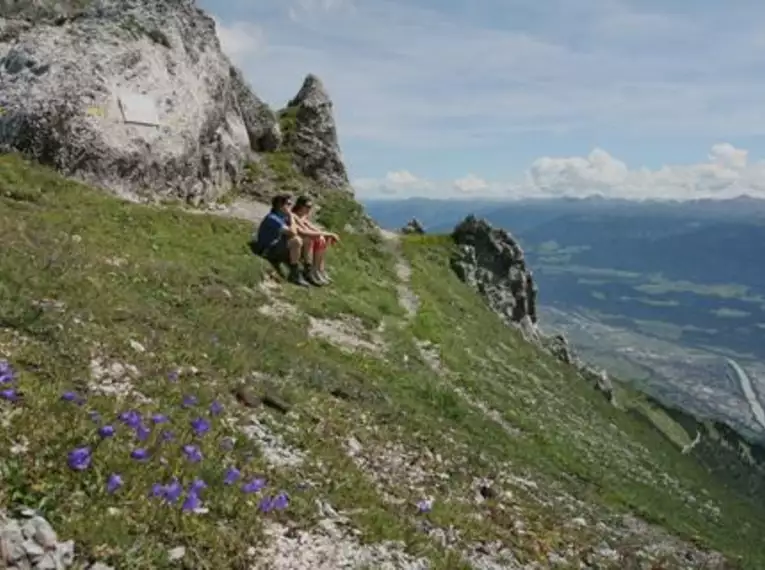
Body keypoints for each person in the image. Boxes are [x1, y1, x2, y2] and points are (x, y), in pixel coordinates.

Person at [249, 194, 310, 287]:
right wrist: (291, 216)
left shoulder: (282, 217)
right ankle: (294, 274)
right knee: (296, 241)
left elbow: (300, 228)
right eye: (288, 204)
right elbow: (292, 232)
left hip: (276, 245)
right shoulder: (273, 218)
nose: (290, 206)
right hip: (268, 250)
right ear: (280, 206)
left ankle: (307, 268)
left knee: (305, 239)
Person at [291, 195, 339, 285]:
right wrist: (327, 234)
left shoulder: (303, 216)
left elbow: (312, 227)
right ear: (300, 205)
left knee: (321, 238)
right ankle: (312, 270)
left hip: (303, 240)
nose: (309, 209)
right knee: (316, 238)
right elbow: (304, 231)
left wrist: (326, 234)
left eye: (310, 207)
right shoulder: (294, 216)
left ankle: (319, 269)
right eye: (308, 206)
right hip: (296, 242)